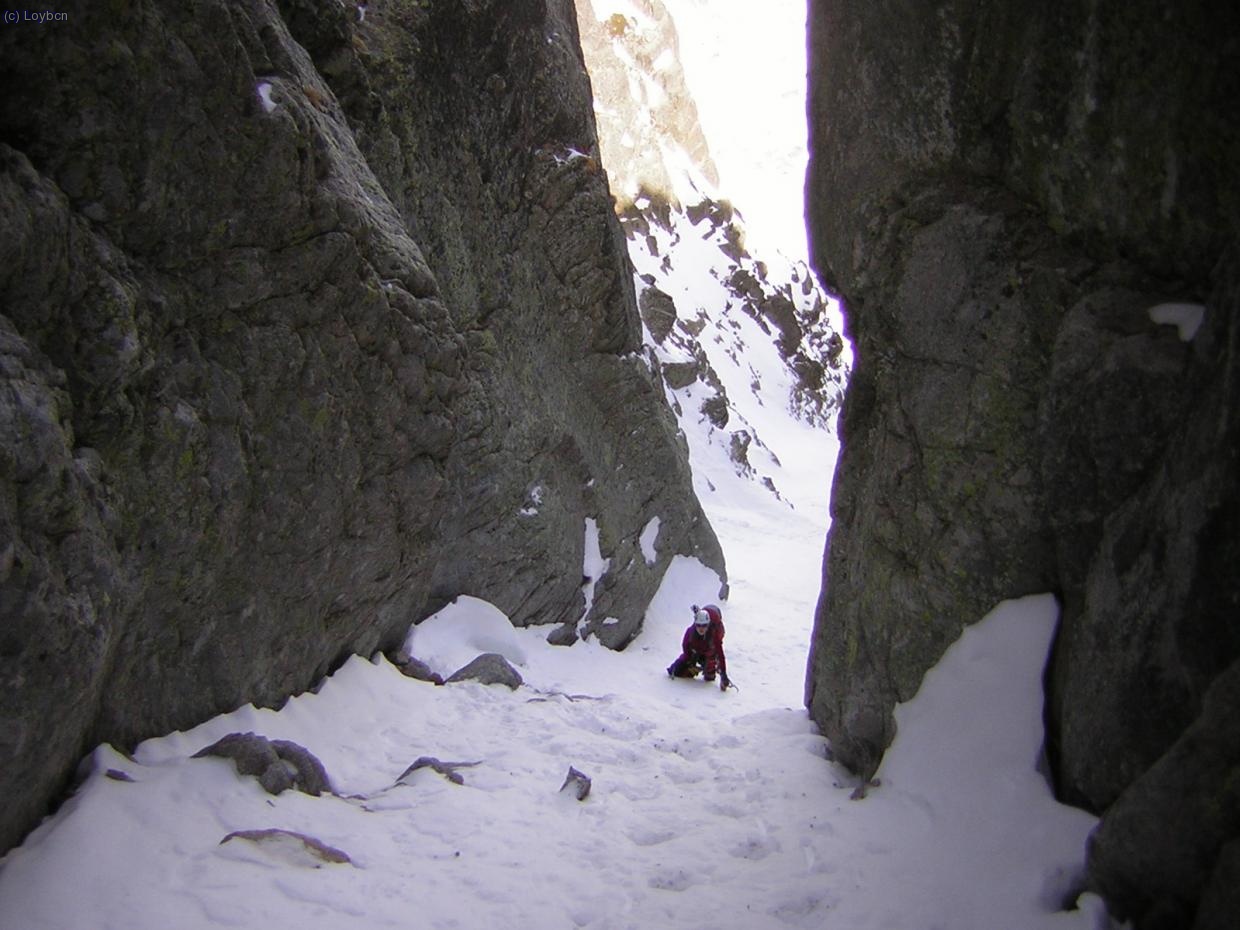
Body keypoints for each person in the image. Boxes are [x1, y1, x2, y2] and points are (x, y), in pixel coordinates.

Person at [667, 604, 730, 690]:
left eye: (704, 625)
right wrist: (689, 662)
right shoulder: (690, 633)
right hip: (697, 649)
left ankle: (710, 666)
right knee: (677, 670)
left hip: (709, 649)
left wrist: (723, 675)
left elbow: (720, 653)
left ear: (708, 625)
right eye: (699, 625)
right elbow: (686, 650)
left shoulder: (715, 633)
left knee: (709, 677)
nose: (701, 628)